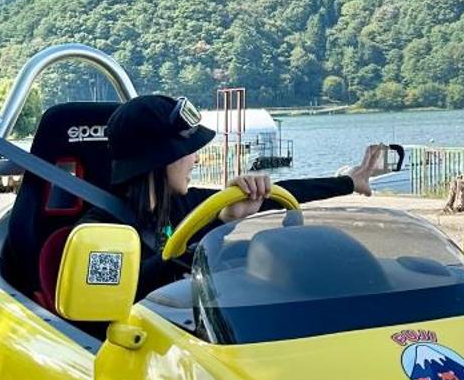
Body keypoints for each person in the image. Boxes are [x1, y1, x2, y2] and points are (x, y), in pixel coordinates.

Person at [106, 94, 387, 297]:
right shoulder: (100, 230)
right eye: (188, 151)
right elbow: (116, 295)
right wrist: (209, 233)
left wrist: (348, 182)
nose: (197, 160)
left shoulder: (184, 203)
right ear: (160, 158)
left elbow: (283, 193)